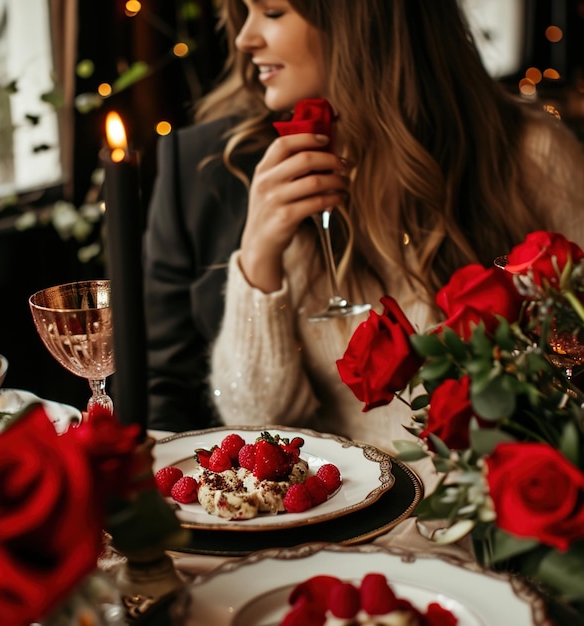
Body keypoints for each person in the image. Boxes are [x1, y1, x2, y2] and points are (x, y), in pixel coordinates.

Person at [144, 0, 584, 464]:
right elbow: (258, 425)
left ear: (361, 19)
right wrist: (257, 256)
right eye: (245, 14)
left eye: (272, 12)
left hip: (485, 523)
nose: (244, 39)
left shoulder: (533, 157)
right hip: (326, 524)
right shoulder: (241, 167)